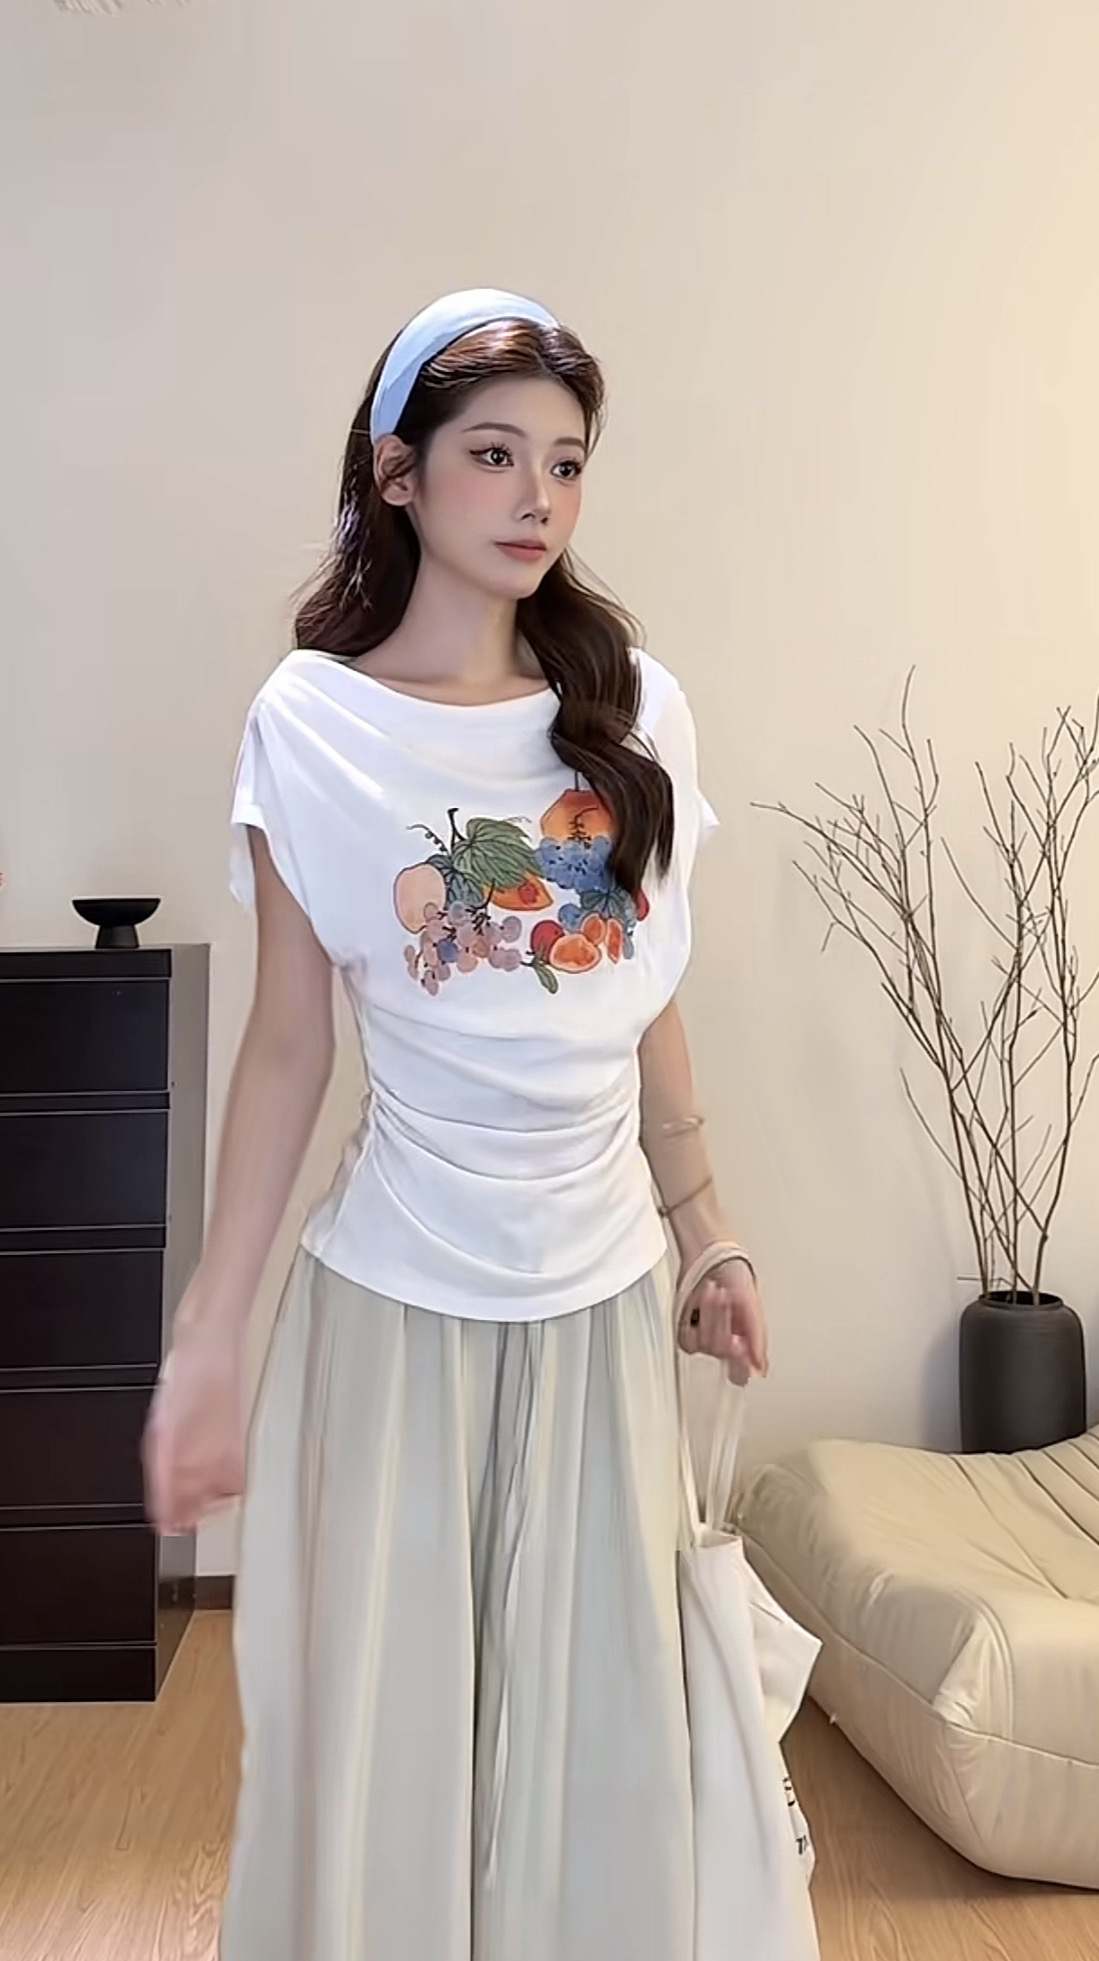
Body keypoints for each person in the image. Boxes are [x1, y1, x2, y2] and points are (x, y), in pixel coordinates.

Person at [143, 288, 769, 1961]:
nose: (535, 497)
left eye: (564, 462)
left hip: (599, 1304)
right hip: (393, 1309)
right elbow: (287, 1046)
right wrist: (210, 1334)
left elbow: (641, 997)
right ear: (397, 472)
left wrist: (708, 1232)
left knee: (600, 1762)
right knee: (385, 1765)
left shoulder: (632, 710)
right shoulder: (312, 724)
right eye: (493, 455)